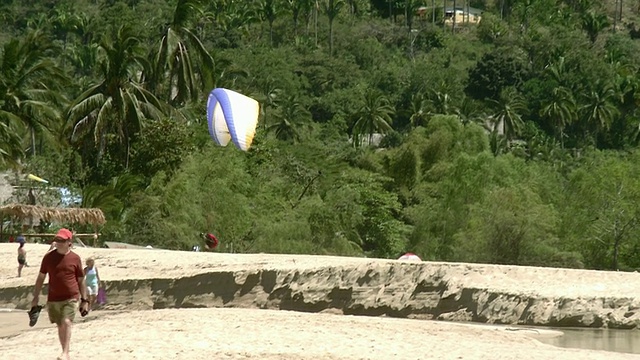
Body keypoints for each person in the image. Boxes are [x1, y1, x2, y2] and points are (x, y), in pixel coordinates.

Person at [31, 228, 89, 360]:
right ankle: (65, 352)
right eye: (57, 240)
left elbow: (81, 280)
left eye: (62, 240)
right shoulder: (48, 258)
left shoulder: (75, 258)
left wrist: (85, 300)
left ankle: (65, 353)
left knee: (67, 322)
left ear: (69, 242)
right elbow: (40, 278)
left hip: (71, 297)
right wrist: (35, 297)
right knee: (60, 325)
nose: (58, 242)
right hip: (53, 298)